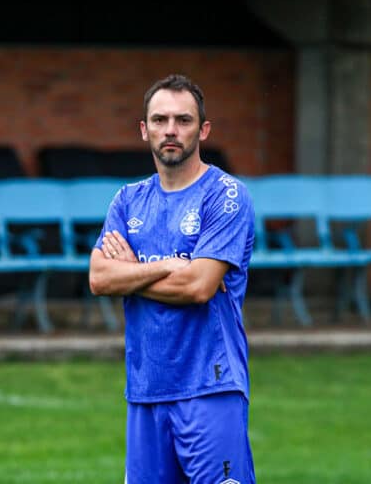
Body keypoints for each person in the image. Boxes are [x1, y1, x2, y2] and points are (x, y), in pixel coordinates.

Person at [89, 74, 256, 484]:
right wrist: (169, 266)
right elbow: (98, 278)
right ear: (144, 129)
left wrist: (129, 274)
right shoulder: (127, 200)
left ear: (204, 129)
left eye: (183, 120)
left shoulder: (226, 195)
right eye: (160, 120)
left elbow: (198, 286)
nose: (171, 130)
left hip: (209, 385)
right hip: (146, 389)